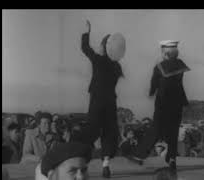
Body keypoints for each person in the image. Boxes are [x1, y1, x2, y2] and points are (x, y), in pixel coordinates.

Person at [71, 20, 124, 178]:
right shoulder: (117, 67)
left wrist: (87, 32)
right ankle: (106, 164)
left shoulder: (99, 61)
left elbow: (85, 48)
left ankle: (74, 151)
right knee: (109, 131)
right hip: (110, 102)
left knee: (92, 128)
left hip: (97, 100)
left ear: (105, 47)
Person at [129, 40, 190, 171]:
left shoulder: (159, 67)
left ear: (165, 53)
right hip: (177, 103)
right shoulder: (180, 66)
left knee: (156, 128)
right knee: (173, 131)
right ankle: (172, 159)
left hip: (163, 102)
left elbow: (154, 84)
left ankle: (140, 156)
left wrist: (151, 92)